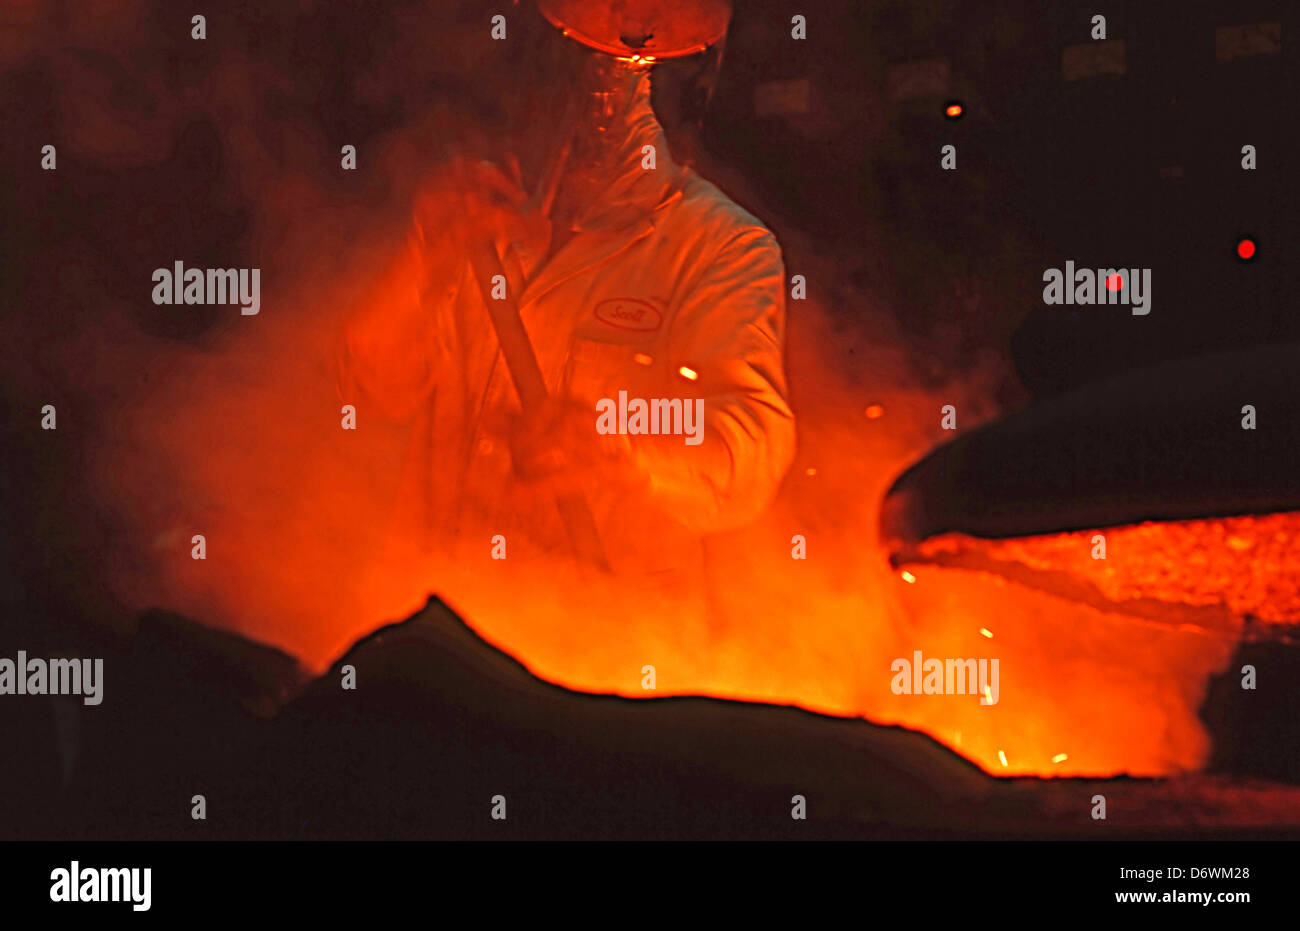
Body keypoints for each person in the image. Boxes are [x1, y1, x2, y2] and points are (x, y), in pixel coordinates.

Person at [337, 0, 794, 592]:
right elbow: (371, 392)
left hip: (596, 647)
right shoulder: (477, 212)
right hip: (437, 620)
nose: (600, 101)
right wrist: (419, 260)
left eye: (625, 73)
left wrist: (614, 443)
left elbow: (747, 453)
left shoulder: (719, 246)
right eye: (584, 64)